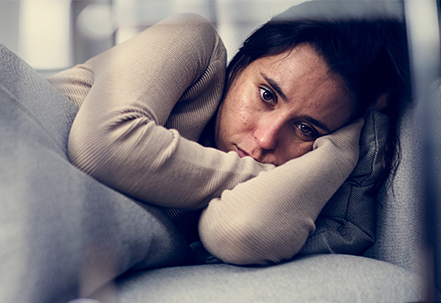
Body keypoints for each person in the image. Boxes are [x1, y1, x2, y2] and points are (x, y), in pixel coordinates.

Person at [48, 1, 409, 266]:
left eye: (305, 128)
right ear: (239, 66)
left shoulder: (233, 198)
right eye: (267, 95)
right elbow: (102, 144)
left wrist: (345, 145)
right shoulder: (192, 40)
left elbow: (239, 230)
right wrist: (265, 176)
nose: (266, 139)